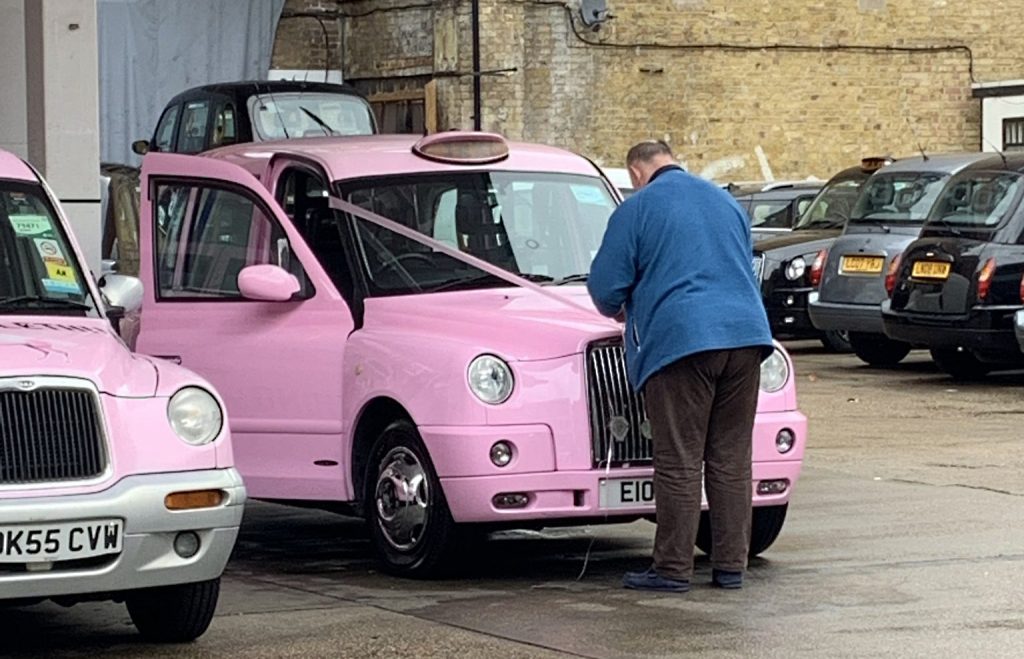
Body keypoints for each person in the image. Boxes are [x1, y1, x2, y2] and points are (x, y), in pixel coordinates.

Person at [587, 140, 773, 592]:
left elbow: (605, 288)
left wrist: (625, 305)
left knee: (679, 459)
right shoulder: (726, 201)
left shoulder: (638, 208)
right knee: (730, 458)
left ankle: (671, 569)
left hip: (683, 342)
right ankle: (731, 566)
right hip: (748, 337)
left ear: (635, 172)